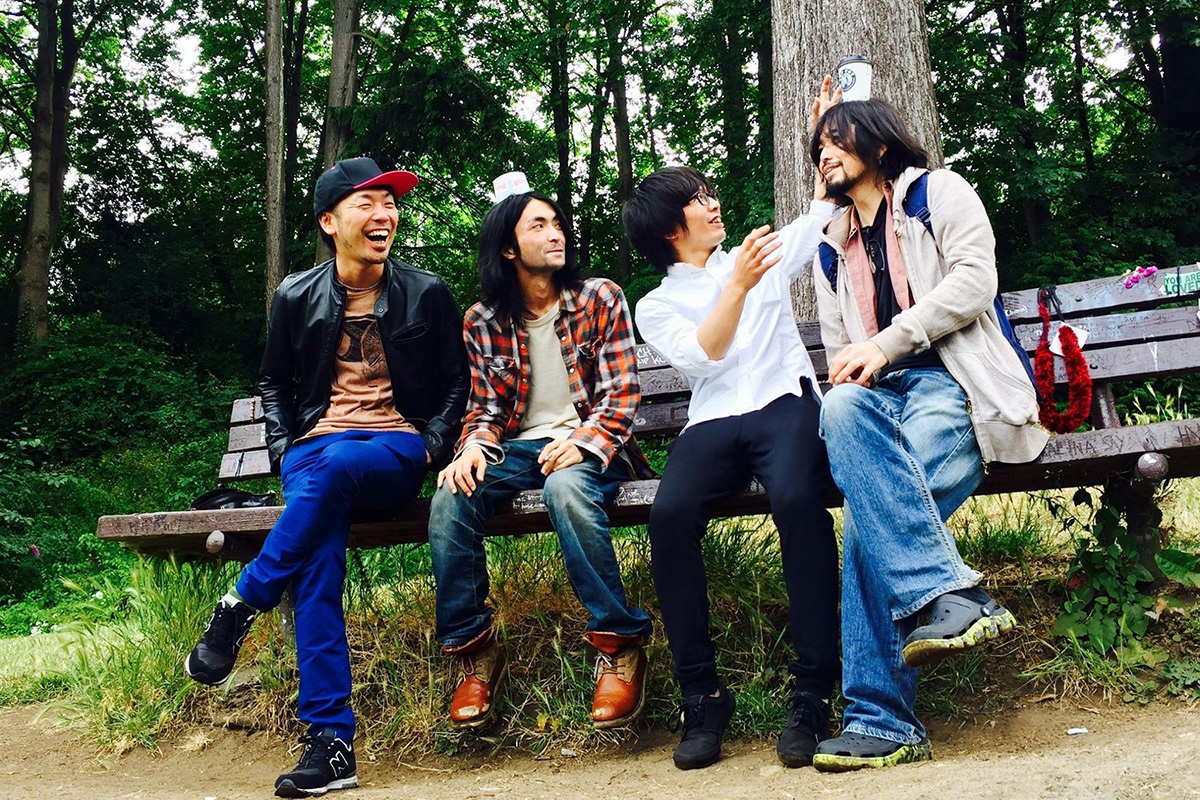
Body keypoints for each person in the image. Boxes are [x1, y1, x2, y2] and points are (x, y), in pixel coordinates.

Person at [185, 157, 469, 797]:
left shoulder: (425, 291)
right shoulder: (295, 295)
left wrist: (430, 444)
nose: (384, 213)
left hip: (393, 450)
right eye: (368, 202)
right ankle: (331, 744)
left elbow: (457, 382)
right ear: (329, 221)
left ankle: (241, 602)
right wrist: (285, 451)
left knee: (338, 468)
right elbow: (274, 382)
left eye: (390, 203)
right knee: (315, 567)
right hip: (314, 456)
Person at [808, 99, 1048, 772]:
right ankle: (952, 594)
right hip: (881, 403)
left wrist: (889, 342)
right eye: (818, 147)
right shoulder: (829, 247)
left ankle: (880, 722)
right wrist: (861, 369)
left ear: (881, 145)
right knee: (839, 406)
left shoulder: (937, 194)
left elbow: (975, 282)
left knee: (869, 524)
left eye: (837, 140)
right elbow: (841, 352)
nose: (824, 154)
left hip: (955, 384)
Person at [622, 79, 842, 771]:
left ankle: (813, 690)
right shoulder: (656, 304)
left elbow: (823, 207)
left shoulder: (757, 256)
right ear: (670, 227)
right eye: (697, 198)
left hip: (783, 402)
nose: (712, 202)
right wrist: (740, 284)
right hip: (714, 419)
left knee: (799, 500)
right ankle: (703, 695)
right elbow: (704, 355)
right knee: (669, 516)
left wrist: (826, 129)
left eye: (708, 192)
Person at [427, 175, 654, 732]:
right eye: (539, 226)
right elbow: (485, 409)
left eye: (557, 224)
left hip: (596, 444)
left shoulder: (600, 297)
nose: (556, 234)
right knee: (451, 495)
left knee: (566, 488)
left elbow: (621, 395)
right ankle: (474, 651)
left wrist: (580, 444)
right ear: (508, 248)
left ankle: (619, 643)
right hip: (519, 449)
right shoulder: (482, 321)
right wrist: (471, 447)